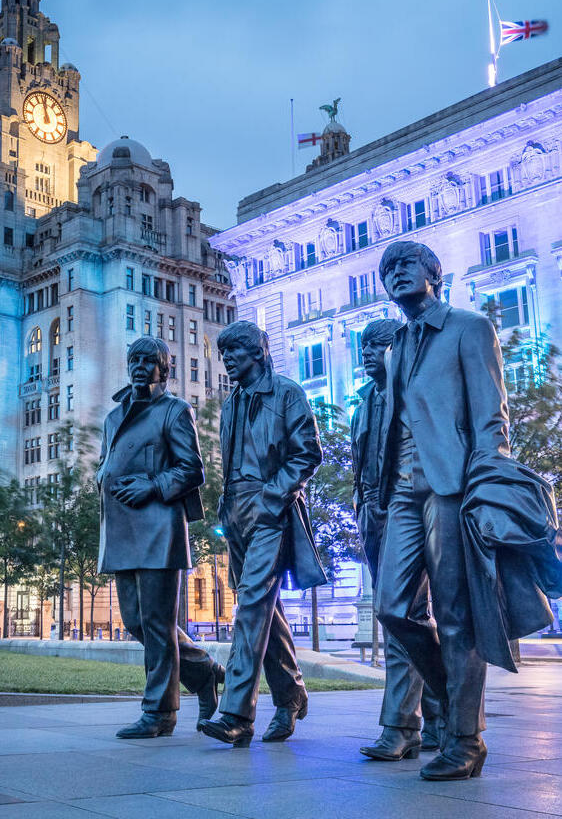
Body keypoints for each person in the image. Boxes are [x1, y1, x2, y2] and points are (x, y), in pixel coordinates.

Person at [374, 241, 509, 780]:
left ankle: (464, 737)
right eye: (388, 269)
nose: (396, 274)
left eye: (407, 264)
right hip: (403, 489)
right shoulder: (395, 346)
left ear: (434, 273)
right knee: (392, 608)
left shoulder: (467, 327)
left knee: (455, 615)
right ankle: (454, 701)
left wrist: (486, 478)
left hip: (452, 483)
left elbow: (491, 412)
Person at [200, 321, 325, 747]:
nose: (228, 358)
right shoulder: (231, 403)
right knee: (263, 609)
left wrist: (272, 496)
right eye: (224, 352)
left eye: (235, 350)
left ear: (257, 351)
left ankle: (236, 714)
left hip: (271, 509)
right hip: (235, 511)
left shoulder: (286, 393)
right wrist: (227, 506)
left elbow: (307, 452)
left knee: (252, 605)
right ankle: (290, 695)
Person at [97, 336, 224, 739]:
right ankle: (204, 673)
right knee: (137, 621)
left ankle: (159, 713)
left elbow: (192, 470)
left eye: (148, 360)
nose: (139, 366)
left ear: (164, 369)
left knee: (156, 623)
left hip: (158, 529)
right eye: (133, 358)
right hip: (120, 528)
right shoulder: (114, 417)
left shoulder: (175, 411)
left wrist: (151, 485)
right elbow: (108, 461)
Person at [351, 318, 441, 761]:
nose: (367, 353)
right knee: (406, 615)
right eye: (363, 347)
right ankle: (441, 712)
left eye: (378, 345)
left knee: (397, 611)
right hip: (373, 515)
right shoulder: (364, 402)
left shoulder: (415, 395)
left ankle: (401, 725)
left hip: (412, 509)